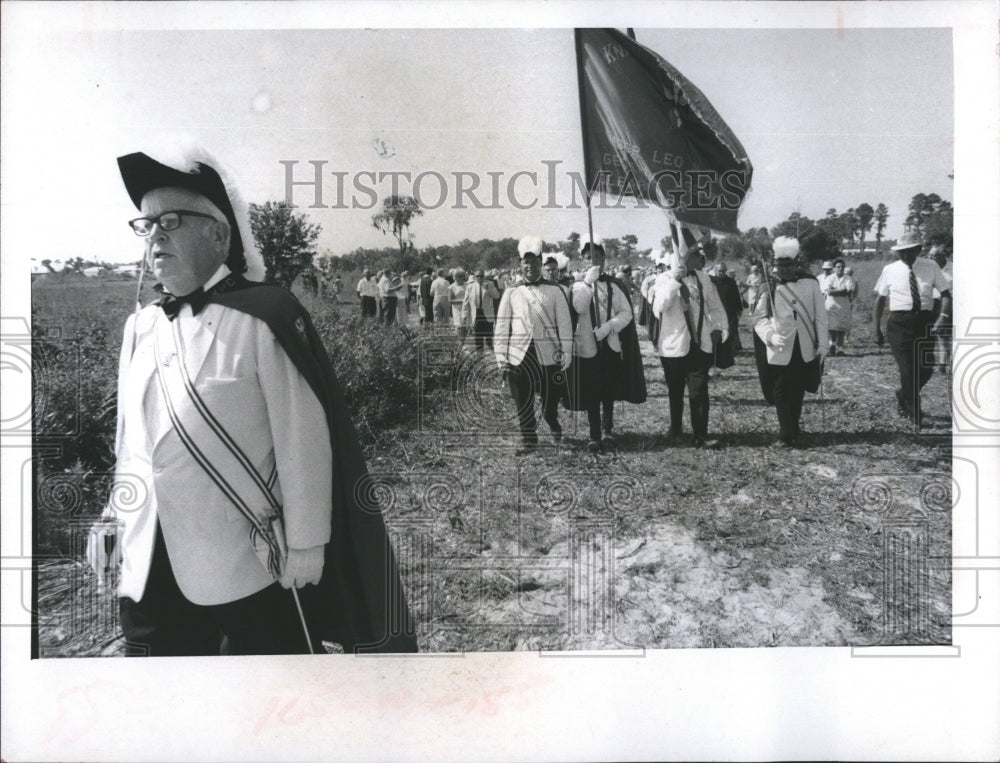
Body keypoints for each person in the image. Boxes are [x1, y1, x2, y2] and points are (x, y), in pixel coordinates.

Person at [89, 148, 415, 655]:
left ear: (218, 234)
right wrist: (114, 515)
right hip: (149, 562)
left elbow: (303, 441)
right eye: (146, 224)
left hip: (248, 567)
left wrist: (307, 542)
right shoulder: (139, 327)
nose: (155, 236)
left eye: (171, 221)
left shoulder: (267, 315)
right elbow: (132, 443)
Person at [494, 235, 573, 453]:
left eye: (534, 261)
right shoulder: (512, 291)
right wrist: (501, 356)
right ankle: (529, 439)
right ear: (520, 265)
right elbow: (502, 326)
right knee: (522, 398)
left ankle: (552, 419)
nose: (530, 266)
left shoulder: (555, 290)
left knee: (550, 398)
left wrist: (567, 351)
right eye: (526, 262)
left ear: (541, 262)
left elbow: (565, 324)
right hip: (519, 353)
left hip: (549, 354)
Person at [753, 237, 829, 448]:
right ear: (775, 265)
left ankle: (793, 428)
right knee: (780, 389)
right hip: (779, 345)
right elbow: (757, 318)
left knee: (797, 389)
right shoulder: (768, 286)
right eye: (780, 265)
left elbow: (821, 317)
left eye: (789, 264)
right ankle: (785, 434)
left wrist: (823, 344)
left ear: (797, 263)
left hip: (805, 346)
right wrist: (769, 335)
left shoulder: (811, 282)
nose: (784, 269)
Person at [652, 245, 728, 448]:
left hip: (699, 343)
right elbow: (659, 307)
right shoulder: (663, 279)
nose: (700, 257)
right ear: (681, 258)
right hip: (673, 345)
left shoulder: (704, 279)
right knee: (675, 390)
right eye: (695, 254)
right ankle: (675, 429)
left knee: (699, 391)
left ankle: (700, 435)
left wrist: (719, 328)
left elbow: (715, 306)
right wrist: (675, 281)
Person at [872, 231, 952, 426]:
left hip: (925, 321)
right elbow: (880, 301)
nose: (905, 255)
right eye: (901, 252)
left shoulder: (930, 266)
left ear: (918, 249)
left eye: (909, 251)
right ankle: (915, 413)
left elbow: (946, 294)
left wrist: (942, 317)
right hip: (899, 323)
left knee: (926, 368)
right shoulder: (890, 269)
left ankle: (903, 393)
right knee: (907, 368)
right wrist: (876, 328)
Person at [565, 243, 635, 452]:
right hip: (588, 347)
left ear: (604, 260)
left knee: (608, 389)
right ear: (583, 261)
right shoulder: (578, 286)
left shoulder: (614, 286)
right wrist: (588, 282)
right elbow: (578, 307)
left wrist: (609, 327)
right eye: (588, 257)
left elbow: (626, 313)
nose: (593, 261)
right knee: (592, 391)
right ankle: (594, 433)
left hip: (610, 345)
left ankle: (607, 430)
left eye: (597, 257)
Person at [709, 262, 743, 371]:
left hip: (729, 313)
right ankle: (712, 362)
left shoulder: (731, 282)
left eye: (723, 271)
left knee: (727, 337)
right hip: (714, 313)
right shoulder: (711, 281)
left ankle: (724, 362)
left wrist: (738, 309)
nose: (721, 273)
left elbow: (736, 297)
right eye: (719, 271)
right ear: (715, 270)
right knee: (714, 336)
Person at [461, 268, 501, 351]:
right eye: (477, 276)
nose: (479, 278)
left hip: (487, 313)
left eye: (481, 276)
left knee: (489, 334)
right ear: (474, 277)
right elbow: (466, 302)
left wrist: (489, 289)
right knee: (478, 335)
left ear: (484, 276)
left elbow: (497, 296)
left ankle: (491, 350)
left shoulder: (490, 284)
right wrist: (464, 315)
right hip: (476, 314)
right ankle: (479, 352)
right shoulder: (470, 287)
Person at [928, 244, 952, 370]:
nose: (930, 257)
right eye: (929, 255)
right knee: (931, 334)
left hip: (948, 303)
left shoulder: (953, 269)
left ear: (942, 256)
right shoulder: (928, 268)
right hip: (931, 303)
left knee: (945, 334)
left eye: (934, 255)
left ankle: (943, 364)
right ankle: (933, 362)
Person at [823, 258, 855, 355]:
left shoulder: (848, 278)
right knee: (832, 326)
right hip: (831, 306)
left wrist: (835, 290)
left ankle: (840, 349)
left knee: (842, 327)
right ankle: (832, 344)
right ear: (834, 268)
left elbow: (849, 290)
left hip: (843, 306)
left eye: (842, 267)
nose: (840, 269)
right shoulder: (830, 278)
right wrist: (842, 291)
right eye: (838, 267)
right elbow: (828, 291)